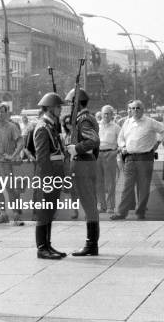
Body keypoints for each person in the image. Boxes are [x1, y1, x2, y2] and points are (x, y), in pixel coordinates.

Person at [112, 100, 164, 220]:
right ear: (130, 110)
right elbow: (121, 137)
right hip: (130, 158)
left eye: (138, 108)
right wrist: (122, 147)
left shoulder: (149, 122)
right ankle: (121, 213)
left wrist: (158, 143)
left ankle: (140, 212)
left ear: (142, 109)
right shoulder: (127, 122)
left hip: (145, 157)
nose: (135, 110)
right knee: (127, 186)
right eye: (133, 108)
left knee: (143, 186)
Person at [64, 88, 101, 257]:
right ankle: (91, 243)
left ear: (76, 103)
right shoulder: (85, 118)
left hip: (83, 165)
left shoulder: (84, 119)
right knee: (89, 205)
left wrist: (76, 149)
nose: (69, 107)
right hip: (87, 163)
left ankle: (91, 244)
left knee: (88, 205)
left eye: (71, 104)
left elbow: (93, 140)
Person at [33, 93, 67, 259]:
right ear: (51, 108)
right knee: (44, 212)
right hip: (47, 175)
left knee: (50, 210)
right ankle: (41, 248)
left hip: (55, 174)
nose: (60, 109)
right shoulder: (42, 127)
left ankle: (48, 244)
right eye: (58, 107)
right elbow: (42, 157)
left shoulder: (52, 125)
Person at [0, 103, 24, 226]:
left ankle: (16, 215)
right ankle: (3, 214)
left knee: (10, 189)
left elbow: (20, 142)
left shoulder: (11, 127)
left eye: (2, 111)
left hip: (5, 163)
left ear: (7, 113)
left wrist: (13, 155)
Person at [96, 105, 120, 214]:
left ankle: (111, 206)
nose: (106, 115)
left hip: (110, 154)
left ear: (112, 115)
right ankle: (102, 206)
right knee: (98, 182)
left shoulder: (116, 127)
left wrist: (115, 152)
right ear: (101, 114)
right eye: (104, 113)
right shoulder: (96, 126)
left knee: (110, 182)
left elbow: (123, 142)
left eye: (108, 113)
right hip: (97, 155)